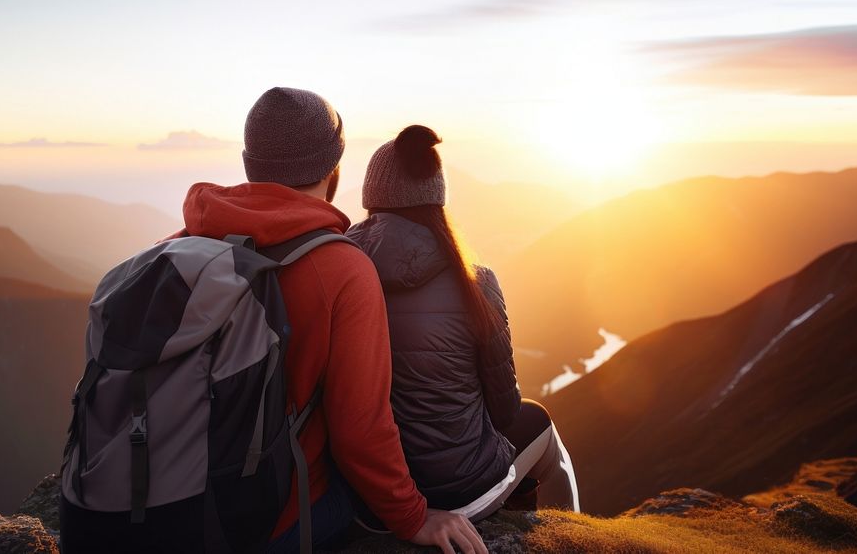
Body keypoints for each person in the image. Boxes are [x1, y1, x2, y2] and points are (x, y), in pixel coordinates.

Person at [175, 90, 486, 553]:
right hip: (268, 522)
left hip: (160, 506)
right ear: (333, 168)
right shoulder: (342, 268)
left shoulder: (180, 246)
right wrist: (414, 517)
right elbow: (360, 431)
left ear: (250, 164)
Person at [346, 125, 580, 521]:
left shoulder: (342, 267)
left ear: (372, 196)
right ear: (437, 198)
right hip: (456, 490)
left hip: (371, 491)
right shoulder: (476, 281)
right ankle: (570, 533)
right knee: (539, 424)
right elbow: (504, 410)